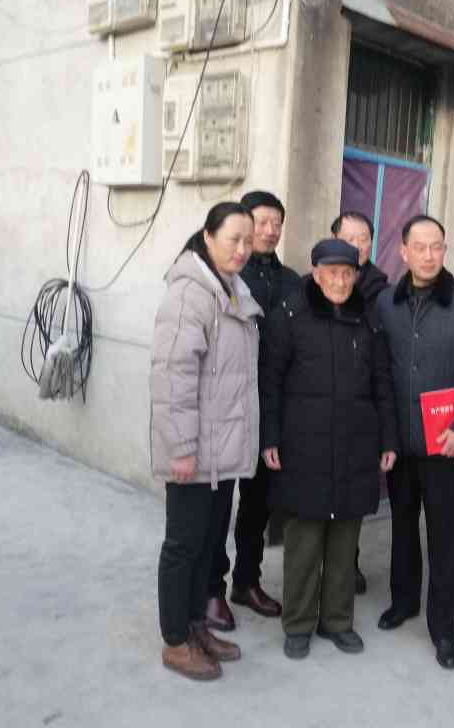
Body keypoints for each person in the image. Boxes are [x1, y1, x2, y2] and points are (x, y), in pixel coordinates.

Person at [261, 238, 398, 659]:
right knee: (303, 541)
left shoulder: (367, 317)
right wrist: (270, 437)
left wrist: (388, 439)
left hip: (356, 445)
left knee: (343, 541)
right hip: (304, 445)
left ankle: (337, 621)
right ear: (316, 273)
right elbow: (270, 381)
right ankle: (298, 624)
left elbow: (382, 381)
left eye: (348, 273)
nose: (340, 281)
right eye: (332, 273)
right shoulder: (290, 315)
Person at [150, 202, 260, 681]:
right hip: (193, 452)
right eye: (234, 238)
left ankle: (196, 626)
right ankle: (176, 642)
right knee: (184, 545)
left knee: (207, 543)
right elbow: (172, 376)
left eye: (248, 241)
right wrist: (181, 447)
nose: (243, 249)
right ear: (208, 237)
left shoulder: (231, 290)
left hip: (222, 451)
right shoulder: (189, 294)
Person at [375, 214, 454, 670]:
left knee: (444, 537)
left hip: (445, 444)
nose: (428, 255)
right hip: (401, 443)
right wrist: (385, 435)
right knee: (402, 527)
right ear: (403, 252)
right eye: (419, 247)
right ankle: (403, 601)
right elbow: (380, 373)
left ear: (445, 250)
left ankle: (444, 628)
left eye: (436, 246)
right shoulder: (386, 303)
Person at [205, 190, 297, 630]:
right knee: (218, 504)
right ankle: (211, 590)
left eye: (277, 223)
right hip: (229, 408)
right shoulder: (227, 279)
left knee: (257, 505)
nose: (270, 230)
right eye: (262, 222)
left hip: (270, 409)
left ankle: (247, 581)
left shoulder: (294, 282)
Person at [331, 209, 390, 594]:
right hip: (322, 408)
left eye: (364, 238)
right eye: (349, 239)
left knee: (352, 494)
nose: (357, 246)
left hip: (362, 409)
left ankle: (346, 564)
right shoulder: (319, 284)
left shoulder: (383, 294)